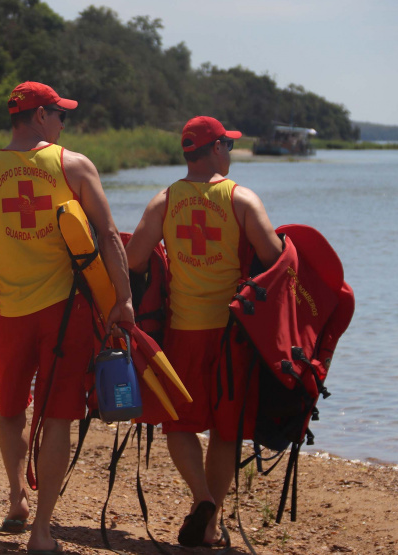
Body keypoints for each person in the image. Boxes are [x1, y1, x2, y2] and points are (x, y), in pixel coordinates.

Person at [0, 81, 134, 553]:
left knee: (10, 412)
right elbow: (110, 236)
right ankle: (41, 531)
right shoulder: (73, 165)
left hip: (10, 312)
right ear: (38, 117)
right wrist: (124, 299)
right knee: (57, 419)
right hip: (66, 313)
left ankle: (16, 499)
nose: (62, 122)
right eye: (58, 113)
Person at [125, 116, 283, 548]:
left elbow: (134, 258)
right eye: (227, 146)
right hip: (233, 332)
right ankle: (210, 522)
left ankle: (202, 498)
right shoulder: (242, 199)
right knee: (225, 430)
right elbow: (273, 256)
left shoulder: (165, 200)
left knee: (180, 424)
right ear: (214, 150)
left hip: (184, 329)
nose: (229, 153)